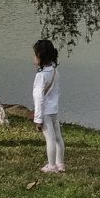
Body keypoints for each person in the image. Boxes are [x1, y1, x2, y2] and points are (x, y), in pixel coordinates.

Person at [31, 40, 64, 173]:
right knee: (57, 137)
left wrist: (38, 119)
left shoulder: (41, 76)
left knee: (49, 139)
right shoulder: (55, 72)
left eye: (34, 55)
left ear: (40, 56)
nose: (33, 58)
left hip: (45, 112)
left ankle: (51, 166)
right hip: (54, 110)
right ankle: (60, 163)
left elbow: (38, 98)